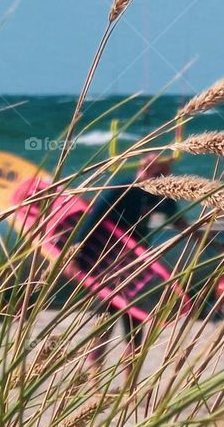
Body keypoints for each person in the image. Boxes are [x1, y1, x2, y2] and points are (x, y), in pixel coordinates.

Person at [74, 154, 186, 385]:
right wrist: (74, 259)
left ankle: (129, 385)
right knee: (103, 323)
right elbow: (92, 221)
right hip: (107, 265)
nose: (164, 179)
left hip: (136, 266)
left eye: (165, 174)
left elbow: (180, 223)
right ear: (145, 168)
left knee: (134, 328)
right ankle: (95, 382)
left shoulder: (161, 195)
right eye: (159, 174)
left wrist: (210, 241)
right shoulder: (121, 189)